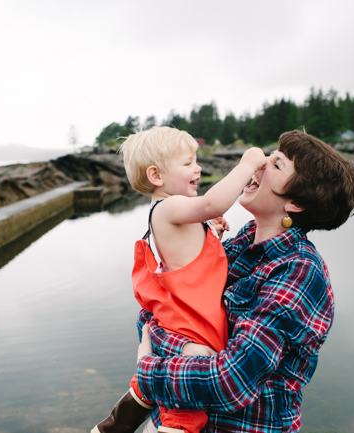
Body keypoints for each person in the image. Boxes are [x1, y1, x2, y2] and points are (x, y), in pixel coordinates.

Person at [135, 130, 354, 433]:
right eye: (270, 156)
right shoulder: (241, 242)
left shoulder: (300, 273)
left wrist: (149, 368)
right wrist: (179, 350)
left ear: (294, 203)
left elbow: (230, 380)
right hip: (176, 419)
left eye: (277, 165)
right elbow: (156, 311)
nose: (261, 164)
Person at [91, 126, 266, 433]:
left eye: (195, 160)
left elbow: (194, 261)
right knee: (186, 411)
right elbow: (213, 203)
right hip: (191, 323)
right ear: (157, 177)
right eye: (187, 163)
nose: (197, 168)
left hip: (192, 316)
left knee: (164, 390)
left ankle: (113, 426)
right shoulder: (168, 207)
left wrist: (213, 233)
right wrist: (246, 165)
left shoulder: (174, 213)